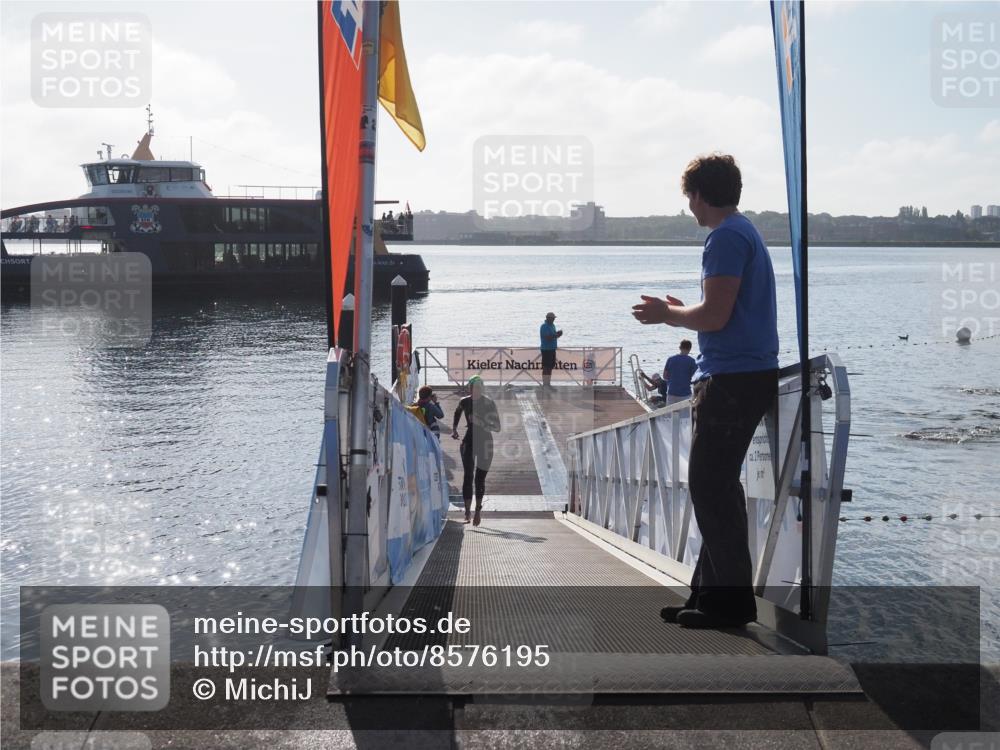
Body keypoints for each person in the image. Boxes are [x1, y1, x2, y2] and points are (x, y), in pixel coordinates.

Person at [632, 153, 778, 629]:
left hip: (732, 379)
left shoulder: (725, 237)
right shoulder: (742, 231)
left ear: (699, 195)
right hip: (743, 374)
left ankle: (731, 605)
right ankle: (708, 597)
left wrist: (667, 315)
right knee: (716, 488)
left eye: (689, 197)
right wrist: (684, 310)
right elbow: (724, 312)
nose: (689, 207)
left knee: (711, 487)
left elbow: (714, 317)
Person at [451, 375, 501, 526]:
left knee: (479, 479)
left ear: (482, 388)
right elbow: (457, 412)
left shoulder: (488, 403)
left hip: (485, 443)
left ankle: (478, 511)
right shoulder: (464, 401)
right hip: (469, 441)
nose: (476, 390)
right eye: (474, 387)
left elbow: (497, 427)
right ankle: (467, 512)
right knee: (468, 476)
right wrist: (454, 429)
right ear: (470, 388)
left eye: (479, 387)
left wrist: (481, 423)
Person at [663, 339, 698, 405]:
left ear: (680, 347)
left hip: (671, 392)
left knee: (670, 411)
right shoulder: (692, 361)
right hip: (685, 393)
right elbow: (695, 378)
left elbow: (665, 376)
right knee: (686, 411)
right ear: (690, 348)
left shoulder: (670, 359)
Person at [538, 312, 563, 389]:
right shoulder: (544, 326)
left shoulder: (553, 325)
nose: (553, 320)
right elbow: (547, 337)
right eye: (552, 318)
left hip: (552, 349)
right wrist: (557, 335)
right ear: (548, 318)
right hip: (546, 349)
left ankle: (548, 384)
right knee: (546, 367)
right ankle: (545, 384)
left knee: (550, 367)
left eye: (554, 318)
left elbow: (552, 335)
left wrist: (557, 334)